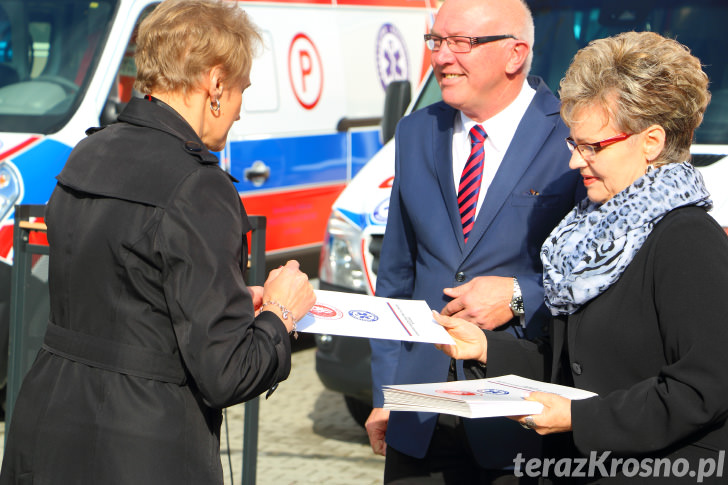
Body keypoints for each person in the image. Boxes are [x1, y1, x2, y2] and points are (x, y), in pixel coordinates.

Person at [0, 1, 316, 483]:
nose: (238, 110)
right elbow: (226, 372)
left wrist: (229, 304)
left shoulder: (88, 152)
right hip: (142, 448)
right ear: (214, 82)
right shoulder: (199, 185)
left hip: (47, 426)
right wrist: (282, 314)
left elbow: (127, 296)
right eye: (239, 90)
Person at [436, 31, 728, 483]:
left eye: (592, 147)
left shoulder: (687, 239)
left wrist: (580, 418)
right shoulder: (588, 232)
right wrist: (486, 349)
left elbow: (703, 388)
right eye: (574, 144)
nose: (575, 162)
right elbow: (571, 364)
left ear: (651, 142)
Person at [366, 0, 583, 482]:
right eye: (436, 41)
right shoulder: (416, 131)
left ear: (514, 54)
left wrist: (518, 295)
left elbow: (597, 279)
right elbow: (396, 278)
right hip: (418, 418)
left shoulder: (573, 133)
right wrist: (386, 395)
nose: (442, 57)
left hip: (521, 416)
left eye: (461, 42)